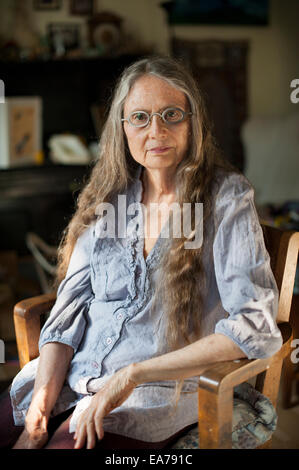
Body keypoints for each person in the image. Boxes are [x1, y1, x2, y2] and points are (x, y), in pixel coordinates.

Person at [0, 56, 282, 450]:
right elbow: (68, 313)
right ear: (122, 127)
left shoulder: (226, 198)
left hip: (152, 399)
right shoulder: (110, 197)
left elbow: (254, 323)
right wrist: (41, 407)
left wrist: (133, 375)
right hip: (72, 381)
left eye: (171, 114)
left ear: (192, 121)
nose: (156, 131)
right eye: (140, 118)